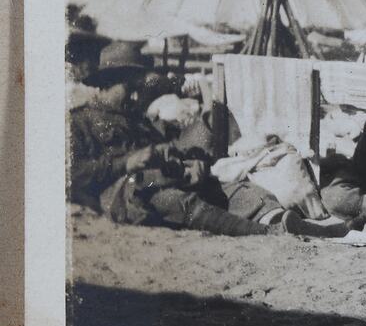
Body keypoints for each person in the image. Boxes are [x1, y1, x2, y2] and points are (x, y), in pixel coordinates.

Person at [69, 41, 338, 237]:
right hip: (124, 195)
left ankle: (279, 219)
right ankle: (268, 233)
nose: (137, 97)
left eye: (139, 89)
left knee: (221, 184)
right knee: (174, 200)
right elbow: (71, 174)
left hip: (158, 180)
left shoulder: (136, 119)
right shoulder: (79, 122)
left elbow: (166, 152)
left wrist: (186, 164)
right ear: (105, 84)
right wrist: (125, 163)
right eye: (130, 89)